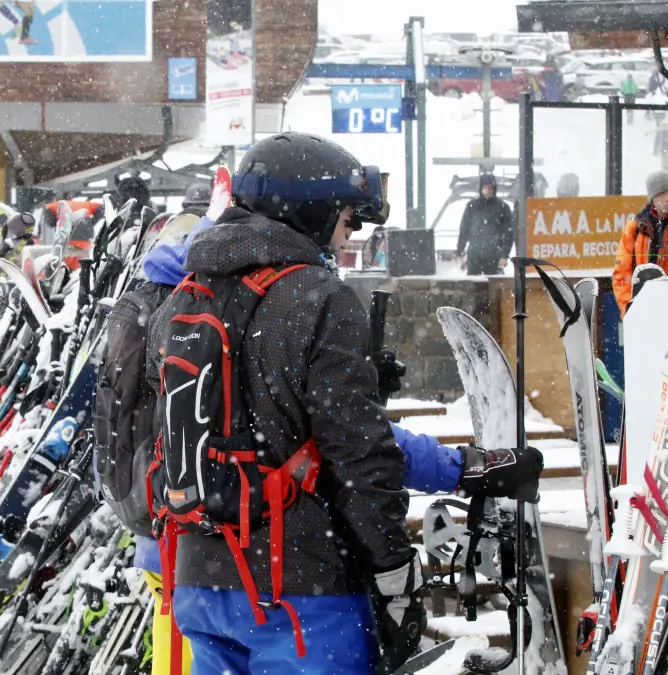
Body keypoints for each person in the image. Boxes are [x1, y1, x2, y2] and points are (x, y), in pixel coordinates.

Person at [105, 198, 541, 675]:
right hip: (292, 588)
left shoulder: (177, 310)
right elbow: (359, 449)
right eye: (346, 221)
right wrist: (458, 474)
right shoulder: (301, 302)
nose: (345, 236)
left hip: (192, 572)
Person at [613, 171, 668, 317]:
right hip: (643, 308)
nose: (667, 198)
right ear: (653, 198)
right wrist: (629, 308)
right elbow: (622, 272)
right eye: (661, 194)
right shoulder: (636, 228)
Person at [455, 173, 514, 275]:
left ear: (494, 189)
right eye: (485, 187)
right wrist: (460, 251)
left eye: (490, 188)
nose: (488, 190)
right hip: (474, 255)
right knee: (473, 284)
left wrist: (504, 255)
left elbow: (508, 233)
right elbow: (464, 229)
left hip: (494, 256)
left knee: (493, 284)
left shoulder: (503, 208)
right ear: (481, 188)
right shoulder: (472, 206)